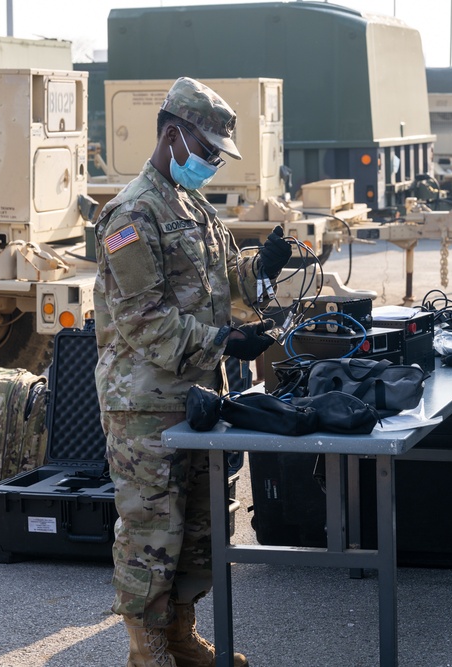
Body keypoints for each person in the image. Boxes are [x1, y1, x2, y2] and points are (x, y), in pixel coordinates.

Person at [93, 76, 292, 667]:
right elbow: (146, 324)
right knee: (153, 531)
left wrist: (265, 268)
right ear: (173, 136)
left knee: (204, 526)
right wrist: (226, 341)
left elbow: (234, 287)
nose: (211, 164)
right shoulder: (130, 215)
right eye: (206, 152)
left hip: (200, 397)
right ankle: (148, 650)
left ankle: (180, 634)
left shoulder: (197, 210)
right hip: (146, 404)